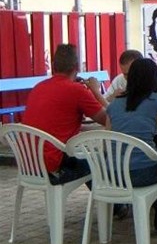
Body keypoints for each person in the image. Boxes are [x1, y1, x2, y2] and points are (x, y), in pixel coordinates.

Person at [106, 58, 157, 233]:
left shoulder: (114, 103)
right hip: (142, 174)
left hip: (113, 174)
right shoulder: (156, 100)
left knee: (155, 154)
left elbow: (108, 136)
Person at [22, 44, 105, 185]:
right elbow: (108, 119)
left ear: (53, 66)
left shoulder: (38, 87)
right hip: (53, 164)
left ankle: (115, 206)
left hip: (28, 162)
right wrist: (96, 91)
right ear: (76, 67)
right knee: (100, 160)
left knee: (85, 155)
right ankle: (117, 205)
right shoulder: (76, 90)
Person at [87, 49, 157, 107]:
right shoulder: (119, 80)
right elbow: (103, 106)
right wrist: (112, 97)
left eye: (132, 73)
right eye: (125, 74)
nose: (129, 78)